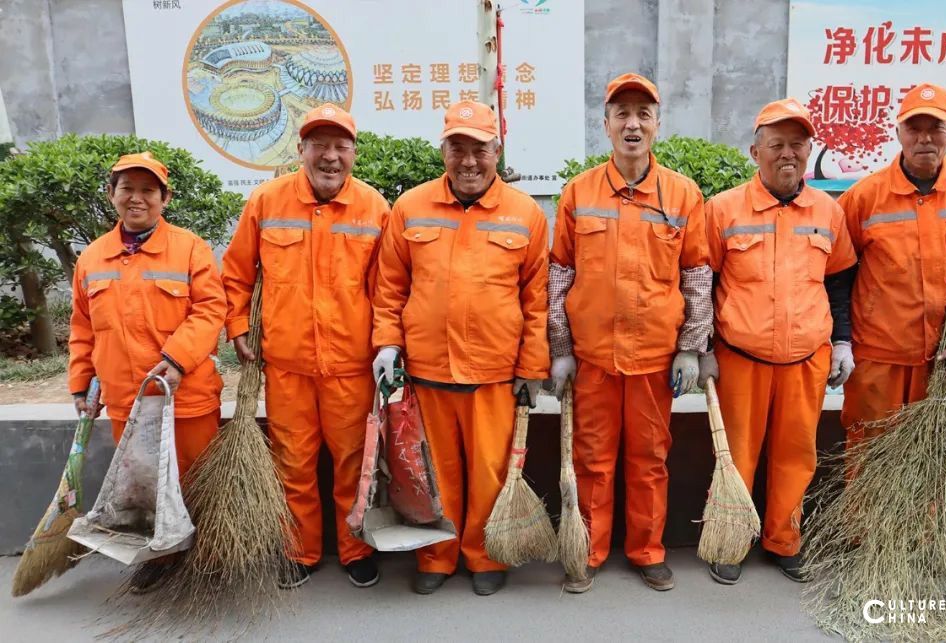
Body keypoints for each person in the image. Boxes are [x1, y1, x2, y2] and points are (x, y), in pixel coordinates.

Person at [371, 100, 549, 597]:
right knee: (432, 470)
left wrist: (531, 367)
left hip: (494, 372)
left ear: (497, 151)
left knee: (489, 471)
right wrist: (387, 344)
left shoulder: (525, 213)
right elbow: (390, 287)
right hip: (427, 369)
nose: (468, 161)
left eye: (479, 149)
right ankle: (436, 555)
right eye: (457, 149)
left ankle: (483, 555)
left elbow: (537, 299)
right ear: (443, 150)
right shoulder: (410, 207)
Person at [548, 73, 711, 593]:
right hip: (594, 357)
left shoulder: (683, 194)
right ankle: (590, 550)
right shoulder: (579, 192)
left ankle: (647, 550)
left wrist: (690, 348)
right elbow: (559, 275)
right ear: (606, 125)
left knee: (649, 460)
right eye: (622, 114)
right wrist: (560, 349)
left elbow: (697, 275)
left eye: (643, 114)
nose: (632, 124)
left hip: (653, 360)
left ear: (658, 126)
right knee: (592, 460)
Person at [221, 103, 390, 590]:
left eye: (340, 146)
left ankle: (356, 548)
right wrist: (236, 324)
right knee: (293, 464)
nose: (330, 156)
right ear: (302, 150)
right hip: (288, 365)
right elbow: (235, 273)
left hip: (351, 367)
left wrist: (386, 348)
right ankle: (302, 551)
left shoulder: (374, 209)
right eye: (320, 145)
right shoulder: (266, 202)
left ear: (354, 152)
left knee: (352, 465)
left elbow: (387, 289)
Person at [698, 98, 858, 585]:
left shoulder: (828, 211)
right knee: (737, 454)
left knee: (795, 455)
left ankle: (784, 540)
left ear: (809, 150)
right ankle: (732, 539)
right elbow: (702, 282)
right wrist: (700, 348)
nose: (787, 154)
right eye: (776, 145)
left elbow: (840, 282)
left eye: (797, 144)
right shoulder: (723, 209)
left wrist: (844, 342)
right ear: (754, 151)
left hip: (806, 359)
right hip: (740, 357)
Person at [68, 152, 226, 593]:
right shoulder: (93, 258)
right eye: (126, 189)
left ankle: (208, 559)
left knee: (195, 481)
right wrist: (81, 382)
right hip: (126, 400)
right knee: (145, 489)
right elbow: (82, 327)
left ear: (164, 198)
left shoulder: (190, 248)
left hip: (186, 396)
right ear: (112, 195)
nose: (136, 198)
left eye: (147, 190)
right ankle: (163, 558)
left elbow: (212, 309)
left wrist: (176, 360)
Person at [838, 83, 946, 446]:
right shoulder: (863, 198)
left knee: (931, 467)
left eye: (936, 128)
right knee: (869, 460)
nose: (925, 139)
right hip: (877, 358)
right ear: (898, 132)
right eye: (914, 128)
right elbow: (837, 274)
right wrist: (840, 341)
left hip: (944, 359)